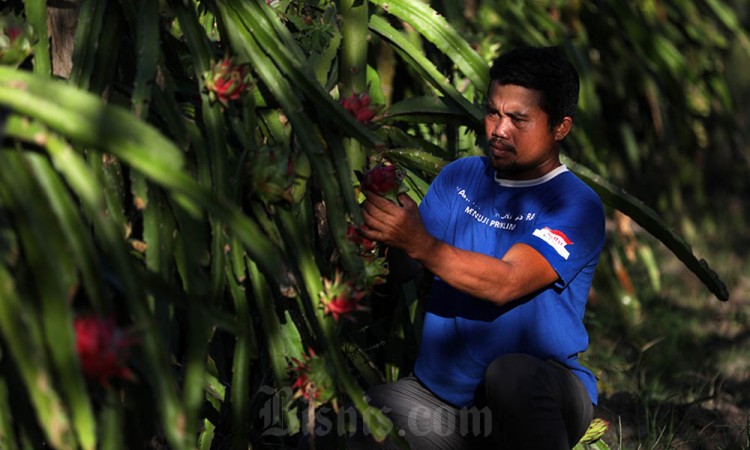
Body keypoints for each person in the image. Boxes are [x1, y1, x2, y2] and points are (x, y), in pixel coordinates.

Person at [354, 45, 605, 449]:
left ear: (561, 127)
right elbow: (404, 267)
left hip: (539, 397)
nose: (499, 130)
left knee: (511, 377)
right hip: (442, 402)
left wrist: (419, 242)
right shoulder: (461, 177)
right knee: (355, 420)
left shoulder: (576, 205)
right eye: (493, 112)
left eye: (518, 119)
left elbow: (507, 282)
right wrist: (384, 232)